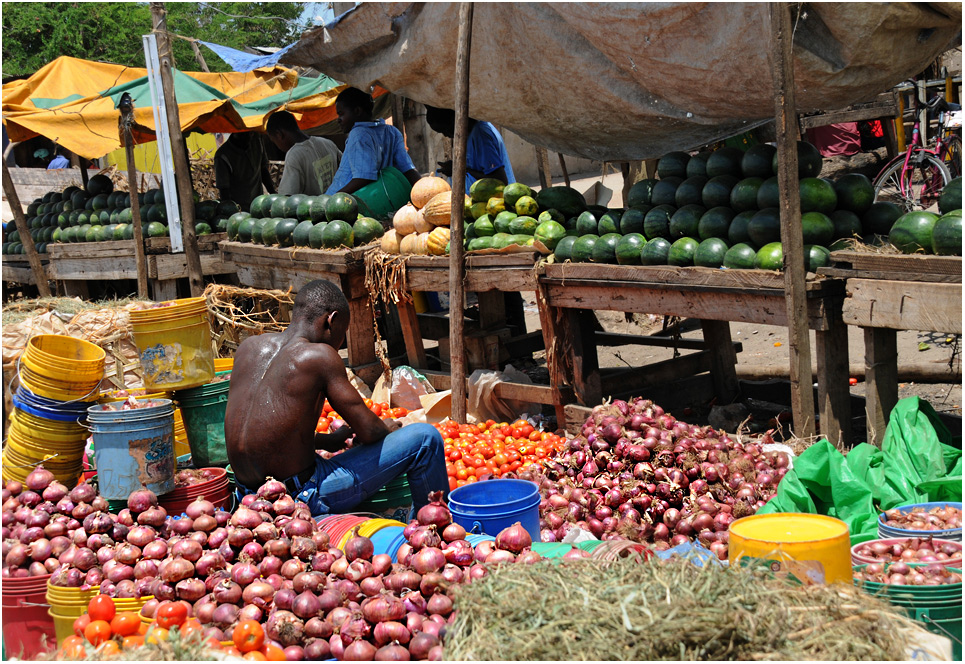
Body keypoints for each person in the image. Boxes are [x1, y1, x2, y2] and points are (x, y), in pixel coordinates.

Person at [224, 279, 448, 516]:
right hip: (297, 497)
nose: (340, 342)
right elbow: (370, 432)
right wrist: (387, 428)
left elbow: (266, 435)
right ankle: (434, 526)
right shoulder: (319, 356)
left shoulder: (249, 347)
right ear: (331, 320)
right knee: (426, 439)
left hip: (248, 497)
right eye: (343, 333)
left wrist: (326, 441)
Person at [325, 87, 422, 195]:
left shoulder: (359, 134)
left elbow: (364, 177)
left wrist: (334, 198)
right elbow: (408, 169)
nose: (338, 119)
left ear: (357, 111)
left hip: (347, 201)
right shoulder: (391, 132)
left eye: (341, 114)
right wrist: (424, 189)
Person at [424, 105, 515, 188]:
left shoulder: (480, 135)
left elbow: (499, 180)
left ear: (455, 120)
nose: (446, 135)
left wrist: (460, 170)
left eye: (446, 129)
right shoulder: (471, 134)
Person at [266, 111, 342, 196]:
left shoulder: (294, 155)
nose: (278, 147)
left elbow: (287, 196)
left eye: (274, 141)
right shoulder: (327, 143)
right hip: (335, 203)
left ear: (279, 134)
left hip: (313, 208)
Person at [214, 132, 275, 211]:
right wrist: (231, 212)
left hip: (258, 206)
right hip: (239, 210)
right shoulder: (223, 156)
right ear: (235, 133)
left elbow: (263, 169)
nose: (249, 137)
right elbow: (224, 190)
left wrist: (273, 194)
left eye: (250, 133)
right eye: (243, 135)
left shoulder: (257, 140)